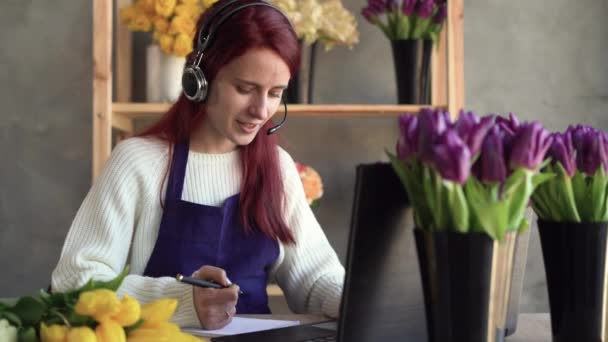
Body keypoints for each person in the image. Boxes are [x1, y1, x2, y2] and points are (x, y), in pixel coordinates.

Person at [51, 0, 344, 330]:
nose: (262, 110)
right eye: (245, 89)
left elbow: (316, 277)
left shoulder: (276, 167)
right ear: (199, 80)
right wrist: (180, 300)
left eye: (276, 93)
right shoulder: (138, 163)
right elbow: (76, 283)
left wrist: (350, 298)